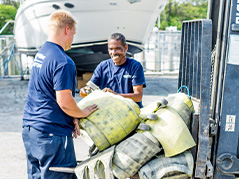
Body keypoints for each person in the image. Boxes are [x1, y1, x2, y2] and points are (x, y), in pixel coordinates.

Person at [22, 10, 98, 178]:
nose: (73, 39)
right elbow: (64, 101)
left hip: (31, 130)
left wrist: (72, 116)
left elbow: (44, 92)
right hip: (52, 134)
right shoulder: (63, 61)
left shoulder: (42, 54)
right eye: (73, 34)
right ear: (66, 30)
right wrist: (81, 113)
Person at [80, 33, 146, 108]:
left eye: (117, 48)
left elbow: (138, 97)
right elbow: (89, 88)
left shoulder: (135, 66)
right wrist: (84, 91)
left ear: (126, 48)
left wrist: (115, 95)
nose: (113, 53)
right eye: (111, 49)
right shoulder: (102, 66)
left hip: (130, 110)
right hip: (109, 110)